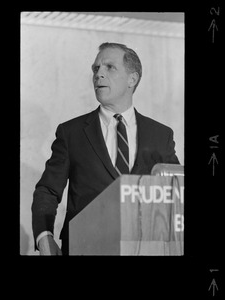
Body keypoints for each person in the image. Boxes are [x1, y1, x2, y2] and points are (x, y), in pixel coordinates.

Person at [31, 42, 180, 255]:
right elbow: (47, 190)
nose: (98, 74)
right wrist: (44, 236)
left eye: (109, 67)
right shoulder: (71, 132)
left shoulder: (161, 135)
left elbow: (176, 194)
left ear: (132, 79)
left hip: (147, 247)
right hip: (84, 247)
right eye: (96, 68)